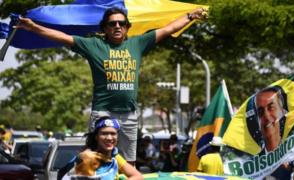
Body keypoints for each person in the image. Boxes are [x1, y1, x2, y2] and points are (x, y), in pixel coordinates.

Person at [16, 7, 207, 164]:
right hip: (102, 112)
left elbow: (169, 29)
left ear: (127, 28)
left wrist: (190, 16)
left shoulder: (138, 43)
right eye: (112, 23)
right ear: (105, 28)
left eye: (121, 23)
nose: (117, 26)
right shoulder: (92, 45)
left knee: (128, 162)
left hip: (129, 116)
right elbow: (61, 37)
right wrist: (33, 27)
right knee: (94, 159)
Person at [58, 117, 142, 180]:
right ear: (96, 137)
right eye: (104, 133)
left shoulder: (114, 156)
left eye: (113, 134)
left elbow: (138, 176)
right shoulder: (87, 158)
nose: (109, 138)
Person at [255, 87, 287, 152]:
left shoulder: (293, 153)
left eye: (271, 108)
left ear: (282, 111)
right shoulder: (253, 159)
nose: (266, 116)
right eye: (260, 112)